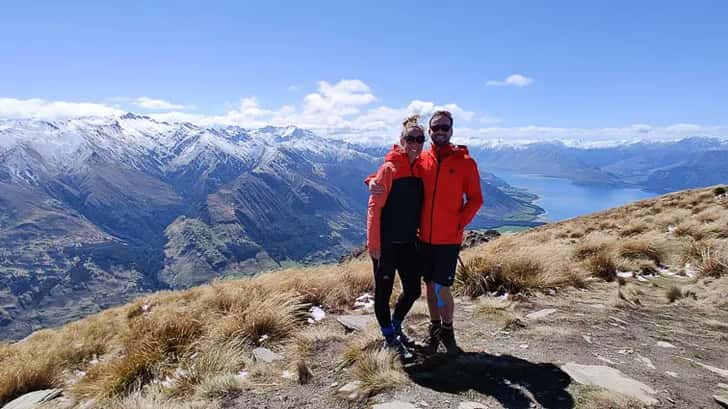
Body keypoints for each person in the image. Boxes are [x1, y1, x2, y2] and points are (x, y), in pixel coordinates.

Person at [418, 110, 483, 354]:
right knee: (429, 285)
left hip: (448, 239)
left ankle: (447, 329)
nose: (440, 131)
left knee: (441, 287)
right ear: (430, 131)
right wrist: (374, 179)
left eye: (445, 127)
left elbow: (476, 199)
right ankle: (434, 330)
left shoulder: (465, 163)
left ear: (452, 130)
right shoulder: (423, 159)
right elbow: (397, 171)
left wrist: (459, 222)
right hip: (424, 237)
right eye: (436, 128)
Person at [366, 115, 425, 360]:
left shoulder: (421, 167)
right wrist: (374, 245)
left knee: (412, 290)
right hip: (387, 243)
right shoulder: (390, 168)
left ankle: (397, 321)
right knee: (383, 291)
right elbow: (374, 207)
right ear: (401, 140)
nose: (414, 143)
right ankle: (389, 335)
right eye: (410, 138)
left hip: (409, 242)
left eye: (419, 139)